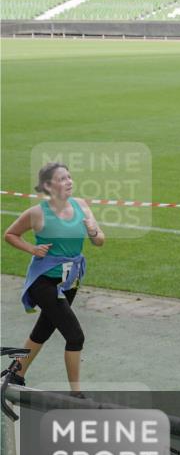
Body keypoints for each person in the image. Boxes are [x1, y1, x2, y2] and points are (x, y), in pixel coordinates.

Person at [4, 162, 105, 394]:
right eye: (62, 179)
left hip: (69, 281)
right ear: (48, 186)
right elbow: (10, 234)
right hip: (44, 281)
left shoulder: (81, 205)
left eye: (69, 177)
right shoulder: (37, 213)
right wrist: (32, 249)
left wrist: (93, 231)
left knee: (43, 331)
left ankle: (16, 373)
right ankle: (76, 394)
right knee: (75, 336)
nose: (69, 181)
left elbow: (100, 241)